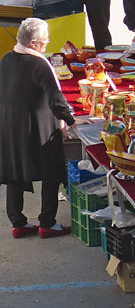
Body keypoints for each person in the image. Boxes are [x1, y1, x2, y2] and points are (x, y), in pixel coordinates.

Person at [0, 18, 78, 239]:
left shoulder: (6, 59)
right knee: (50, 171)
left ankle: (18, 222)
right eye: (45, 41)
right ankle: (47, 223)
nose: (47, 43)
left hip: (10, 125)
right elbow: (56, 100)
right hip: (39, 126)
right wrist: (72, 120)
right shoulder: (39, 64)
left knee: (15, 171)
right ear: (33, 43)